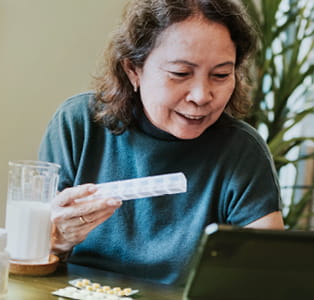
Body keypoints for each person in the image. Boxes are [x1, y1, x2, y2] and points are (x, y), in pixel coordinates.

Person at [38, 0, 284, 285]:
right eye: (180, 73)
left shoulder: (242, 151)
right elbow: (29, 254)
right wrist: (57, 239)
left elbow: (271, 276)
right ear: (133, 70)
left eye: (221, 75)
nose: (202, 96)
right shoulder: (79, 124)